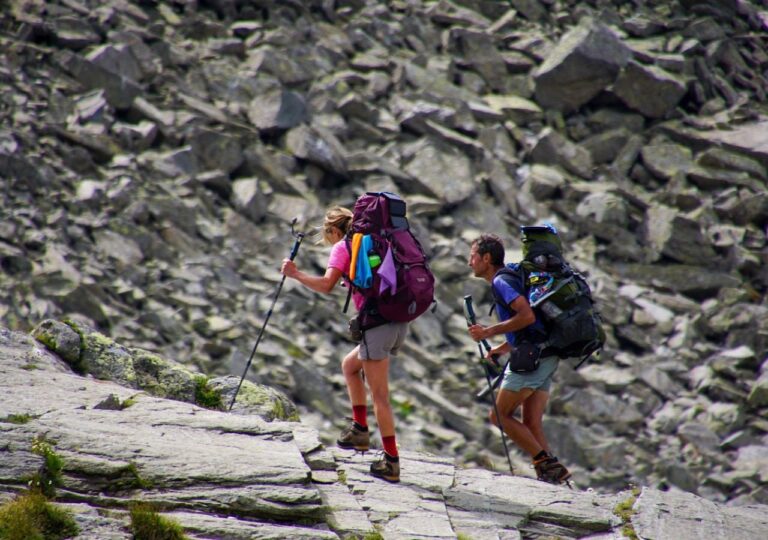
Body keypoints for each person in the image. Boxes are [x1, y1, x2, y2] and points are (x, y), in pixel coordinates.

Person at [281, 206, 407, 483]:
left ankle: (391, 462)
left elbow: (326, 285)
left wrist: (296, 274)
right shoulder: (375, 242)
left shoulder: (344, 246)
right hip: (397, 320)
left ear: (334, 231)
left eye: (327, 236)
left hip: (378, 323)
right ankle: (360, 431)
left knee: (380, 397)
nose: (327, 241)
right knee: (350, 366)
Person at [467, 233, 571, 484]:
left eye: (473, 256)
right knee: (531, 422)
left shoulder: (501, 282)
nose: (469, 262)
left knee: (499, 416)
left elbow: (527, 317)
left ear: (486, 258)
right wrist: (502, 348)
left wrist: (488, 331)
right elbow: (529, 323)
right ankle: (553, 479)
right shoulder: (512, 277)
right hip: (546, 355)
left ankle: (549, 466)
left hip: (531, 358)